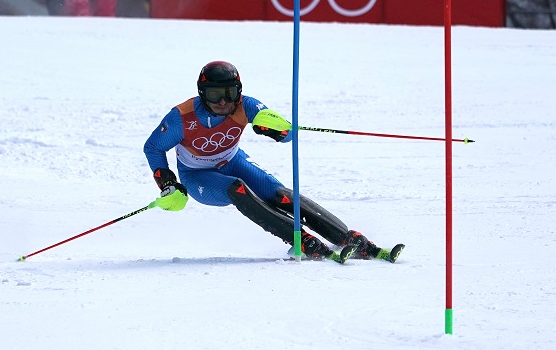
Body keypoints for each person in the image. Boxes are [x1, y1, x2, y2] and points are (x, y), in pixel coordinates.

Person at [143, 61, 404, 263]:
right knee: (237, 188)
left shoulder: (246, 106)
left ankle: (346, 237)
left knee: (281, 194)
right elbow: (153, 147)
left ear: (239, 91)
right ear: (202, 94)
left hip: (233, 161)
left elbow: (287, 131)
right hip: (198, 176)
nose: (223, 101)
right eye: (214, 94)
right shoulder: (182, 117)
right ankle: (299, 239)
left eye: (229, 93)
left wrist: (277, 130)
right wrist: (167, 182)